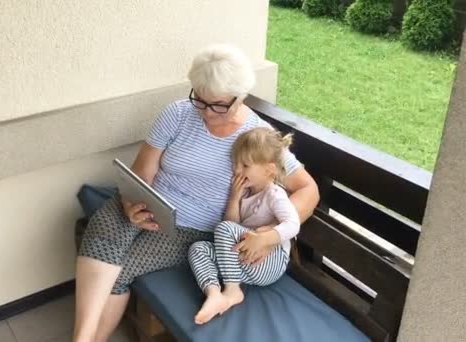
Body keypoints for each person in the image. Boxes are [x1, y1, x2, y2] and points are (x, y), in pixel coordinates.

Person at [73, 44, 319, 342]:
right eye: (199, 100)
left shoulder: (256, 138)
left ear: (239, 97)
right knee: (103, 235)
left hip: (190, 229)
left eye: (216, 105)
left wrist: (271, 235)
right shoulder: (177, 113)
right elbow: (142, 172)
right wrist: (129, 204)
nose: (205, 112)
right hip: (146, 202)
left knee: (122, 269)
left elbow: (308, 189)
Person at [188, 127, 300, 324]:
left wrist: (265, 239)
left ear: (269, 170)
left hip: (269, 263)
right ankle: (214, 294)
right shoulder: (246, 193)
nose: (237, 170)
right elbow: (233, 227)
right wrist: (234, 198)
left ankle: (232, 290)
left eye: (245, 165)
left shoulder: (275, 194)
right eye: (236, 164)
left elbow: (293, 224)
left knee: (223, 228)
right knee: (198, 249)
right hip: (243, 261)